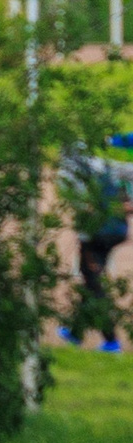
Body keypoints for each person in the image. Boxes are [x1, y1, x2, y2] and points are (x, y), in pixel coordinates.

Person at [60, 142, 133, 351]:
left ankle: (111, 341)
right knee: (90, 282)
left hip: (95, 235)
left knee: (93, 283)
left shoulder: (68, 175)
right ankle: (75, 332)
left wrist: (84, 239)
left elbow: (82, 207)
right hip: (117, 231)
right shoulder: (105, 166)